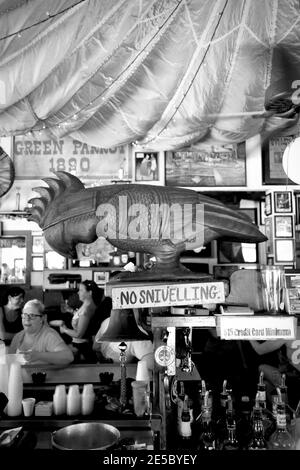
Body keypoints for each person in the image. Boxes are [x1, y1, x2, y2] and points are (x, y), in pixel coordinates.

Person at [249, 322, 300, 408]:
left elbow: (259, 350)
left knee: (262, 368)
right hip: (293, 375)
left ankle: (284, 410)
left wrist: (247, 335)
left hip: (294, 380)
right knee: (266, 385)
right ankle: (277, 410)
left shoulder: (291, 329)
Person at [10, 299, 73, 365]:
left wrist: (39, 355)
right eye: (25, 315)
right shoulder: (18, 337)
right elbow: (9, 361)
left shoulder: (48, 335)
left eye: (32, 316)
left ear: (42, 318)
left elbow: (68, 357)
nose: (27, 319)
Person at [59, 280, 102, 362]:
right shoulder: (87, 304)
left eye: (81, 290)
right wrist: (72, 311)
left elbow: (78, 334)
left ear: (90, 292)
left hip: (82, 348)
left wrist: (64, 330)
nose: (78, 293)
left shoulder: (86, 311)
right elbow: (82, 319)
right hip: (81, 345)